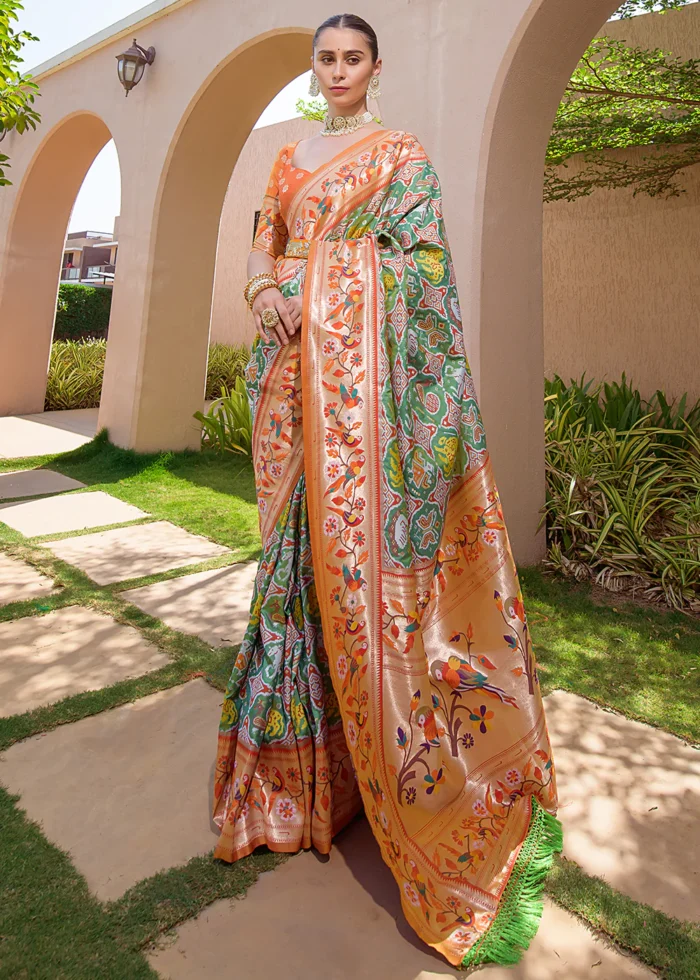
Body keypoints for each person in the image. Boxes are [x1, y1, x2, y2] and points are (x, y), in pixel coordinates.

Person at [212, 12, 561, 969]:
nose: (336, 72)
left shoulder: (398, 156)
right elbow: (260, 249)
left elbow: (425, 270)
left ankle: (402, 782)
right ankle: (300, 785)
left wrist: (322, 280)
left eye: (351, 58)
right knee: (290, 578)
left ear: (375, 67)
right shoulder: (287, 162)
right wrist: (268, 293)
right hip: (293, 392)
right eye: (324, 58)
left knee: (366, 586)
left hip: (369, 409)